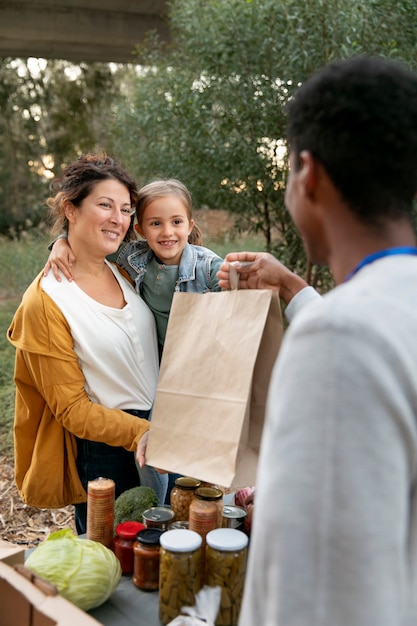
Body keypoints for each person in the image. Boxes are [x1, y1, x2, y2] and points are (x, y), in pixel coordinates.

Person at [224, 56, 417, 626]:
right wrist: (292, 286)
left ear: (308, 175)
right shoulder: (388, 304)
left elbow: (323, 595)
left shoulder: (338, 338)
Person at [7, 153, 160, 534]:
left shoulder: (126, 266)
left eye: (125, 209)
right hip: (106, 450)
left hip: (158, 431)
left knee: (159, 555)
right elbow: (72, 409)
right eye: (104, 205)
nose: (118, 219)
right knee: (111, 565)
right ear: (70, 209)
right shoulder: (46, 300)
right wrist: (139, 432)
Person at [44, 177, 224, 502]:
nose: (167, 232)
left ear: (189, 225)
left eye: (176, 222)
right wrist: (61, 242)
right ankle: (157, 510)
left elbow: (235, 289)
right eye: (156, 223)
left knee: (191, 465)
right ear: (141, 230)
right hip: (156, 385)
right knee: (154, 464)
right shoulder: (136, 259)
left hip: (194, 375)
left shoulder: (205, 266)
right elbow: (90, 240)